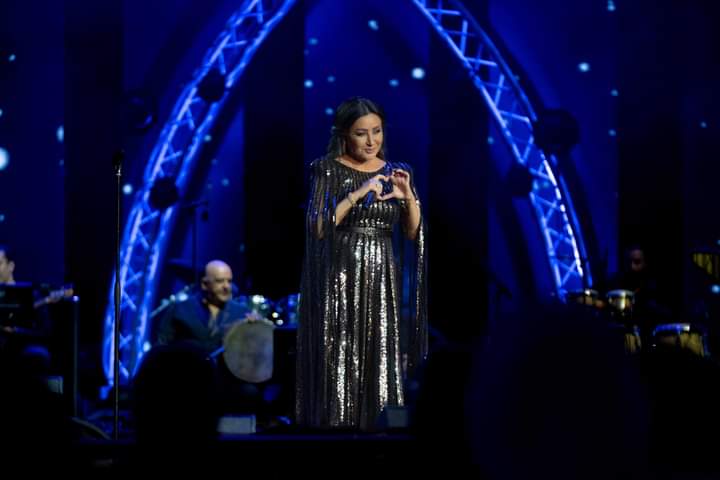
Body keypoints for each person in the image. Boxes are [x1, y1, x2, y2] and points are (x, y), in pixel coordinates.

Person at [296, 97, 428, 431]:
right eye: (361, 133)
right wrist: (358, 192)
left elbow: (413, 233)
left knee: (379, 350)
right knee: (342, 351)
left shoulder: (397, 171)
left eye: (377, 131)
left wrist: (408, 197)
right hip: (340, 276)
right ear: (344, 134)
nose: (371, 141)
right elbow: (318, 227)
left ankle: (380, 430)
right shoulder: (326, 168)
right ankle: (337, 429)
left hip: (382, 275)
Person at [153, 259, 277, 420]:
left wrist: (255, 331)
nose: (227, 286)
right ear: (204, 284)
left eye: (229, 281)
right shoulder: (179, 310)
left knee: (249, 393)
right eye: (220, 281)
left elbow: (255, 356)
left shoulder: (242, 312)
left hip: (226, 381)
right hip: (186, 380)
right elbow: (162, 346)